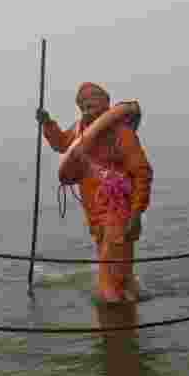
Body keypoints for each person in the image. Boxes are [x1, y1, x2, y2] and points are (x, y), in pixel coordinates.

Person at [37, 82, 152, 304]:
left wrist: (137, 214)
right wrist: (47, 123)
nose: (86, 103)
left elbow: (142, 172)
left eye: (93, 98)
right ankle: (125, 315)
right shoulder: (79, 131)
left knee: (111, 278)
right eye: (82, 101)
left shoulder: (122, 134)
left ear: (106, 102)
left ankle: (113, 319)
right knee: (115, 268)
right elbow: (62, 144)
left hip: (119, 210)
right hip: (94, 212)